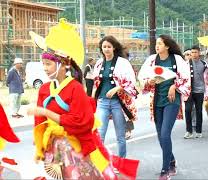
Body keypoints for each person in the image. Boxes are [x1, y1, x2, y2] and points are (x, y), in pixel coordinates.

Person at [27, 19, 139, 179]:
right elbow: (39, 121)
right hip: (53, 147)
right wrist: (39, 145)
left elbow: (82, 122)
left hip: (74, 147)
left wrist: (47, 113)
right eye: (43, 64)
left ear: (63, 65)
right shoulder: (44, 89)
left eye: (48, 64)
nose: (44, 68)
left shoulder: (75, 88)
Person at [138, 34, 191, 180]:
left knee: (165, 133)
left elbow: (186, 78)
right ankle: (172, 161)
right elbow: (142, 78)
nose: (157, 46)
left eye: (160, 43)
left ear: (167, 46)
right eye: (156, 43)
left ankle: (165, 170)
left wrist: (174, 86)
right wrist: (149, 81)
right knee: (161, 135)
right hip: (156, 101)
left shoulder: (176, 60)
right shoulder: (152, 60)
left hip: (171, 101)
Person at [93, 35, 138, 158]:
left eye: (109, 46)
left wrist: (117, 88)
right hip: (102, 102)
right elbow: (95, 83)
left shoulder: (123, 63)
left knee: (120, 136)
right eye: (104, 47)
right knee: (99, 134)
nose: (106, 49)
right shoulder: (99, 63)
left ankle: (122, 161)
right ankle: (101, 164)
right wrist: (93, 97)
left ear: (114, 48)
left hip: (118, 103)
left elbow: (131, 81)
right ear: (101, 49)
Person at [184, 45, 208, 139]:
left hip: (200, 90)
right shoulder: (186, 64)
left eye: (195, 52)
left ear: (199, 53)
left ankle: (199, 131)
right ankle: (189, 131)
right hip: (188, 91)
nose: (193, 54)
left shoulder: (204, 64)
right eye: (192, 52)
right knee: (188, 110)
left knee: (199, 110)